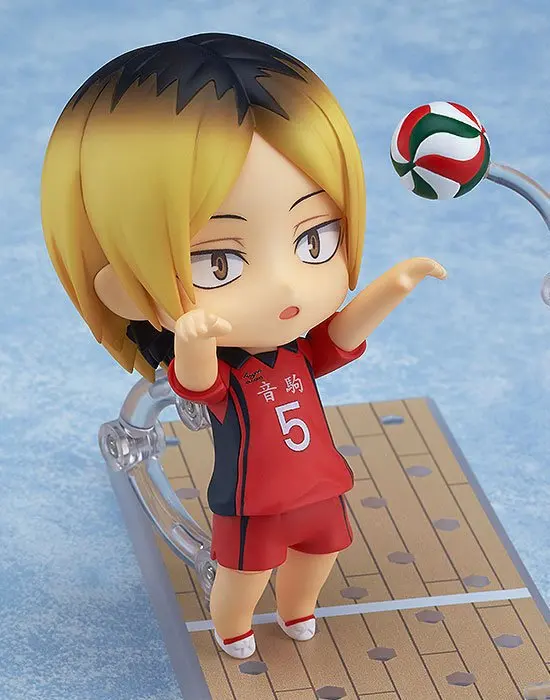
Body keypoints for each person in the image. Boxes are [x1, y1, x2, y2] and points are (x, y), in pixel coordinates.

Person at [41, 32, 446, 659]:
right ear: (120, 285)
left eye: (315, 240)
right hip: (253, 502)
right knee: (244, 573)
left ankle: (298, 610)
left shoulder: (295, 354)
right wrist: (193, 340)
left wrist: (394, 285)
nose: (285, 285)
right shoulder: (228, 370)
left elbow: (341, 335)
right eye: (219, 262)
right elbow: (198, 383)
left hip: (320, 486)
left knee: (321, 555)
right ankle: (233, 628)